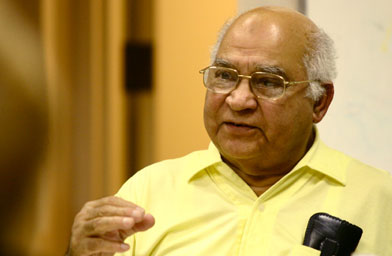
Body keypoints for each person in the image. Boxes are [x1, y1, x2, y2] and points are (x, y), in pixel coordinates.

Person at [67, 6, 392, 256]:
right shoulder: (147, 193)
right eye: (224, 75)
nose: (238, 100)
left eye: (268, 82)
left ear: (319, 102)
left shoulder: (379, 201)